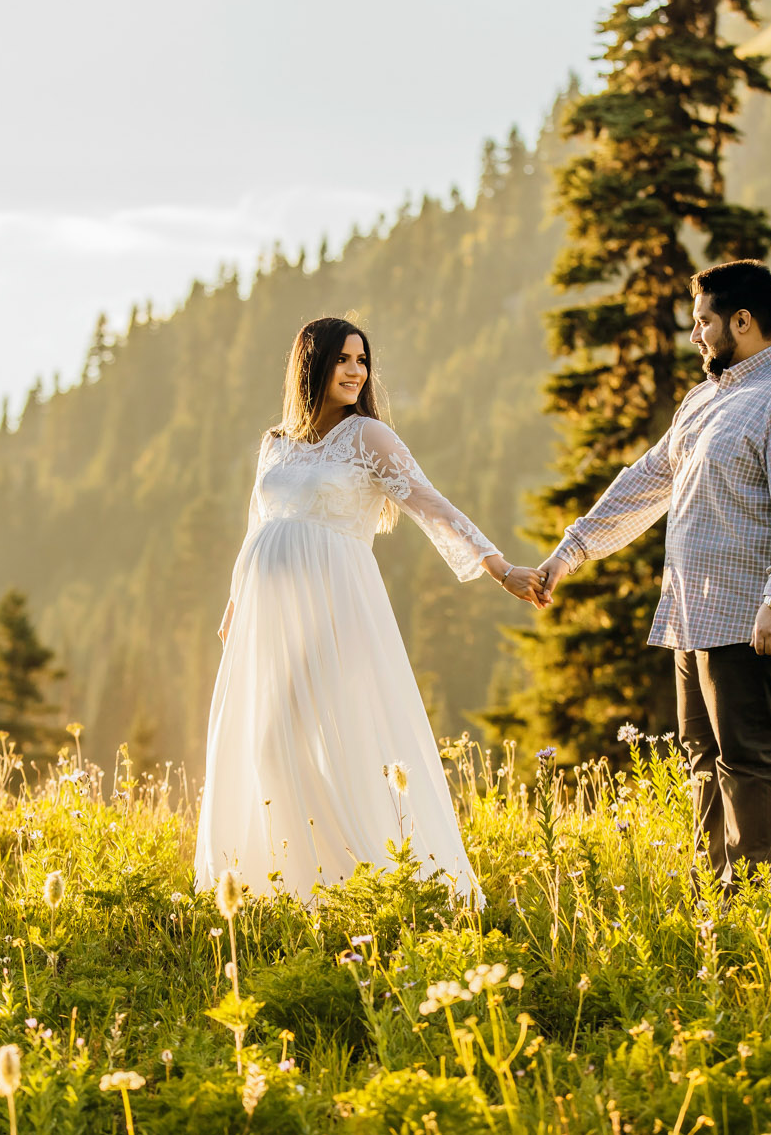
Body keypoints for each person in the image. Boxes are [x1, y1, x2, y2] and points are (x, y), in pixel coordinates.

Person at [196, 316, 545, 901]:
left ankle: (366, 878)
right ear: (311, 366)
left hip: (335, 608)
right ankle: (300, 884)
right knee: (263, 742)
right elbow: (256, 525)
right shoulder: (275, 444)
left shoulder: (369, 439)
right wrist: (236, 604)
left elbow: (431, 506)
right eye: (342, 360)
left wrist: (500, 567)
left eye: (362, 361)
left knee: (307, 739)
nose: (356, 371)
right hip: (269, 614)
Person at [537, 260, 771, 892]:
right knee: (701, 760)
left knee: (746, 759)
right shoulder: (708, 396)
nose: (696, 334)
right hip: (693, 614)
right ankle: (711, 894)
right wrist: (571, 551)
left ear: (743, 321)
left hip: (753, 616)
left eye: (704, 321)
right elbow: (646, 482)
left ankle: (753, 903)